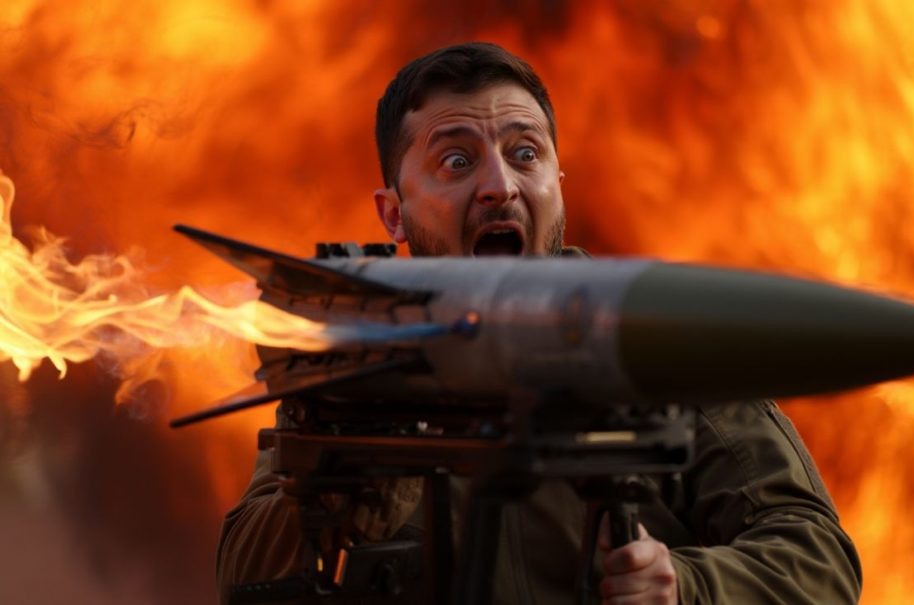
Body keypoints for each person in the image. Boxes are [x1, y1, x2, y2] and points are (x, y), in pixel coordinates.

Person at [217, 42, 862, 604]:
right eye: (457, 162)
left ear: (558, 181)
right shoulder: (357, 355)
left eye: (525, 153)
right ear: (394, 215)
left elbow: (818, 558)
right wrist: (371, 460)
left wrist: (686, 589)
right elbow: (246, 577)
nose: (500, 186)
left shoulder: (650, 339)